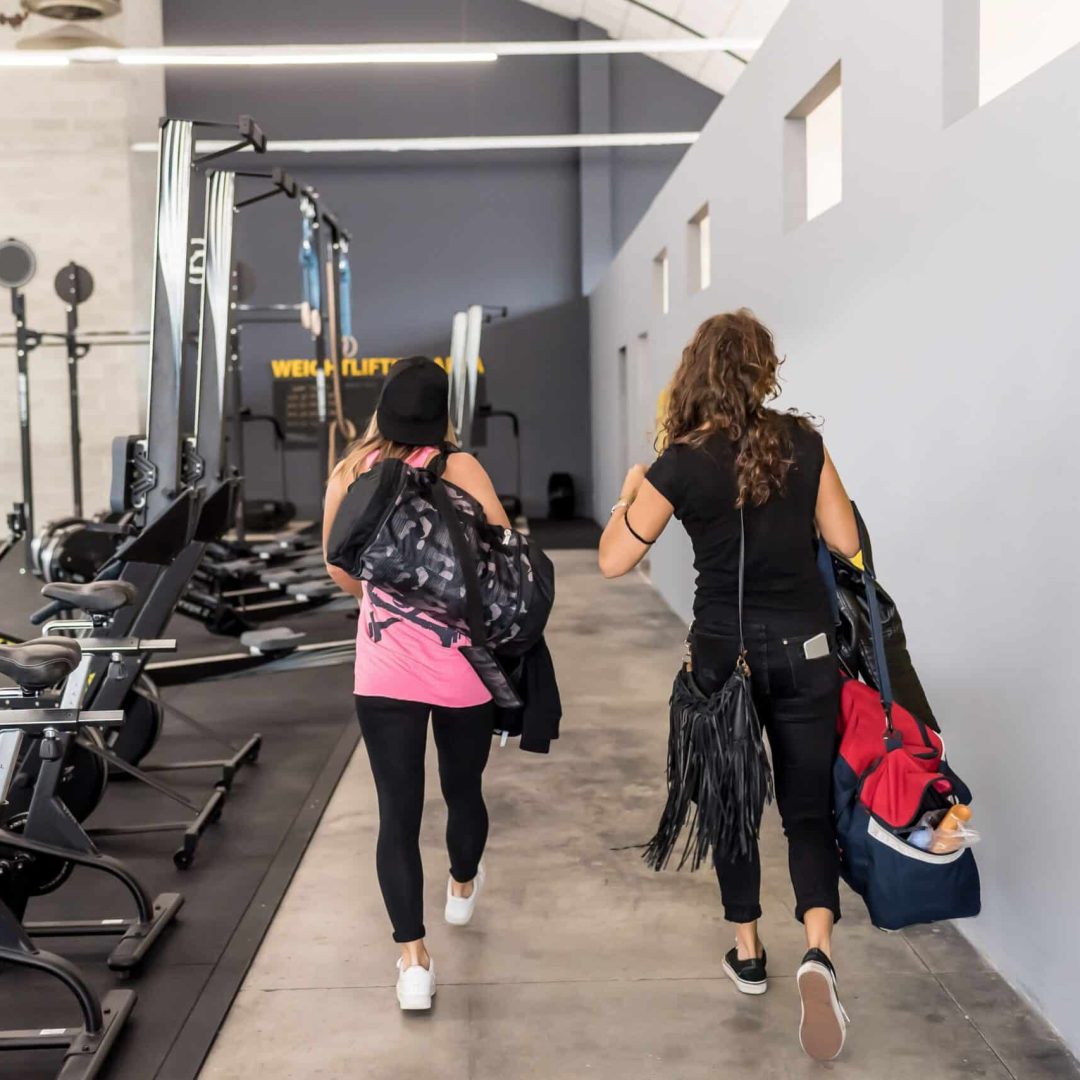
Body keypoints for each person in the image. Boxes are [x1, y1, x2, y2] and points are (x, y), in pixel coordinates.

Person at [598, 310, 859, 1061]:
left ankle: (748, 953)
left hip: (722, 660)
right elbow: (846, 543)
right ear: (763, 371)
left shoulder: (679, 463)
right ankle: (819, 951)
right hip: (807, 653)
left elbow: (614, 560)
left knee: (733, 804)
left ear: (697, 372)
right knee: (808, 813)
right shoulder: (803, 443)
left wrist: (627, 496)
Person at [323, 356, 511, 1012]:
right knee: (464, 792)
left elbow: (337, 564)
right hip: (461, 666)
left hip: (383, 669)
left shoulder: (352, 470)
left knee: (396, 816)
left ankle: (412, 963)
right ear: (443, 414)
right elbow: (502, 554)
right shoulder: (462, 469)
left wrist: (382, 593)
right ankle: (461, 885)